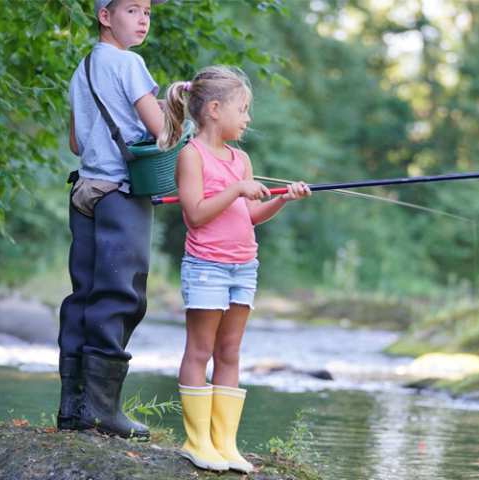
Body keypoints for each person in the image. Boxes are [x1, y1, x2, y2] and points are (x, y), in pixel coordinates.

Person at [158, 66, 311, 472]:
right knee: (200, 350)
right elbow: (194, 215)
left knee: (229, 352)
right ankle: (198, 442)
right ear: (213, 109)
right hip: (207, 266)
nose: (247, 118)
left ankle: (225, 445)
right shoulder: (192, 156)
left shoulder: (241, 159)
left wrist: (282, 199)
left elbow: (252, 215)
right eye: (242, 109)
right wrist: (235, 189)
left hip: (244, 266)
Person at [57, 0, 167, 439]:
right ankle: (102, 411)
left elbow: (75, 144)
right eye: (133, 10)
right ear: (106, 16)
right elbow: (163, 134)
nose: (143, 20)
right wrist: (175, 106)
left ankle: (72, 409)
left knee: (83, 296)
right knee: (120, 295)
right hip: (121, 194)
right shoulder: (130, 62)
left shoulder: (81, 69)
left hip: (84, 192)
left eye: (147, 13)